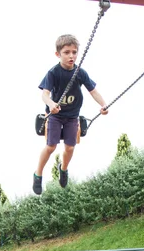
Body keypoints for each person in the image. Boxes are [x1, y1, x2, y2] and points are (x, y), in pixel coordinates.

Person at [33, 33, 108, 195]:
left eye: (74, 52)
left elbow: (93, 91)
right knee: (51, 146)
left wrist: (103, 104)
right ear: (58, 54)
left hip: (72, 116)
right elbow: (44, 94)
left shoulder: (80, 73)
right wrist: (52, 104)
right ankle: (38, 174)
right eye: (66, 52)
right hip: (55, 116)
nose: (71, 56)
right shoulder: (53, 73)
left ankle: (63, 168)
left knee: (70, 147)